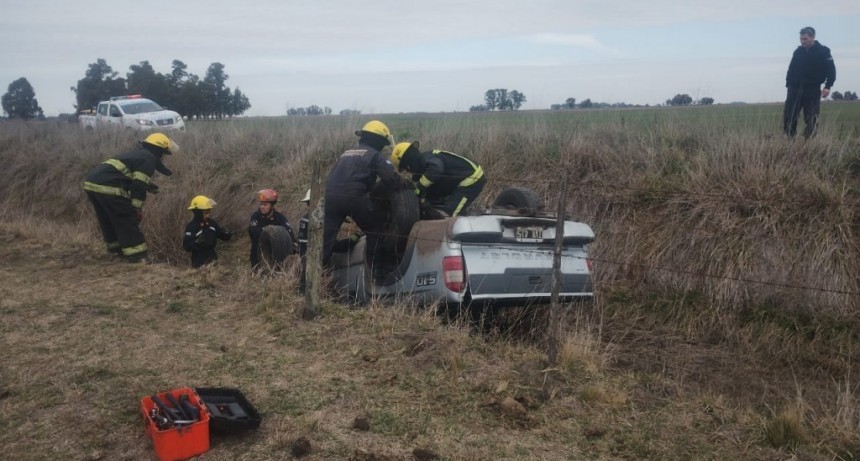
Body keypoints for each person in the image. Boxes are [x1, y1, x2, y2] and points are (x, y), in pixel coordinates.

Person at [83, 132, 176, 262]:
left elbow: (127, 174)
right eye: (163, 154)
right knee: (126, 220)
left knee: (108, 220)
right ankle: (138, 257)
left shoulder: (138, 154)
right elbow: (138, 186)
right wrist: (136, 209)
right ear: (159, 150)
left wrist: (148, 184)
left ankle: (115, 252)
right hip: (109, 188)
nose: (162, 158)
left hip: (92, 184)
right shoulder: (148, 158)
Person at [322, 120, 403, 269]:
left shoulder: (346, 154)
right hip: (353, 197)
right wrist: (404, 184)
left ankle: (308, 283)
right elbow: (391, 179)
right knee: (376, 231)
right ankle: (376, 272)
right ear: (379, 141)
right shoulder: (374, 155)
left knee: (324, 241)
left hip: (330, 197)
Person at [389, 141, 486, 217]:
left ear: (408, 162)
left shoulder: (427, 158)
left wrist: (419, 187)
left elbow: (436, 170)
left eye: (405, 167)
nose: (407, 170)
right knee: (435, 205)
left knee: (448, 213)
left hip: (471, 178)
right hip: (459, 179)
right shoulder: (422, 164)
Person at [783, 26, 836, 139]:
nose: (803, 41)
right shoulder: (798, 52)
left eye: (805, 39)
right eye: (801, 39)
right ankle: (789, 140)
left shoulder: (823, 51)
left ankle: (809, 141)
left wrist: (828, 86)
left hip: (812, 88)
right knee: (790, 115)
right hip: (795, 88)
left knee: (812, 116)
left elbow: (831, 70)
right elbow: (791, 69)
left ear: (813, 37)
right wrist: (788, 84)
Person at [248, 188, 296, 270]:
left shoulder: (279, 217)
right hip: (258, 252)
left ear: (272, 205)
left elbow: (289, 231)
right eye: (261, 204)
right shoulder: (256, 216)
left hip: (276, 253)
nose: (262, 207)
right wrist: (268, 231)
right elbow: (253, 230)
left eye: (265, 205)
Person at [183, 195, 232, 268]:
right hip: (198, 260)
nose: (208, 215)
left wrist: (227, 234)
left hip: (212, 258)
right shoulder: (191, 226)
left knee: (216, 277)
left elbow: (221, 235)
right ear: (198, 212)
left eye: (209, 212)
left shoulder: (212, 223)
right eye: (205, 213)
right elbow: (186, 246)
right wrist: (197, 242)